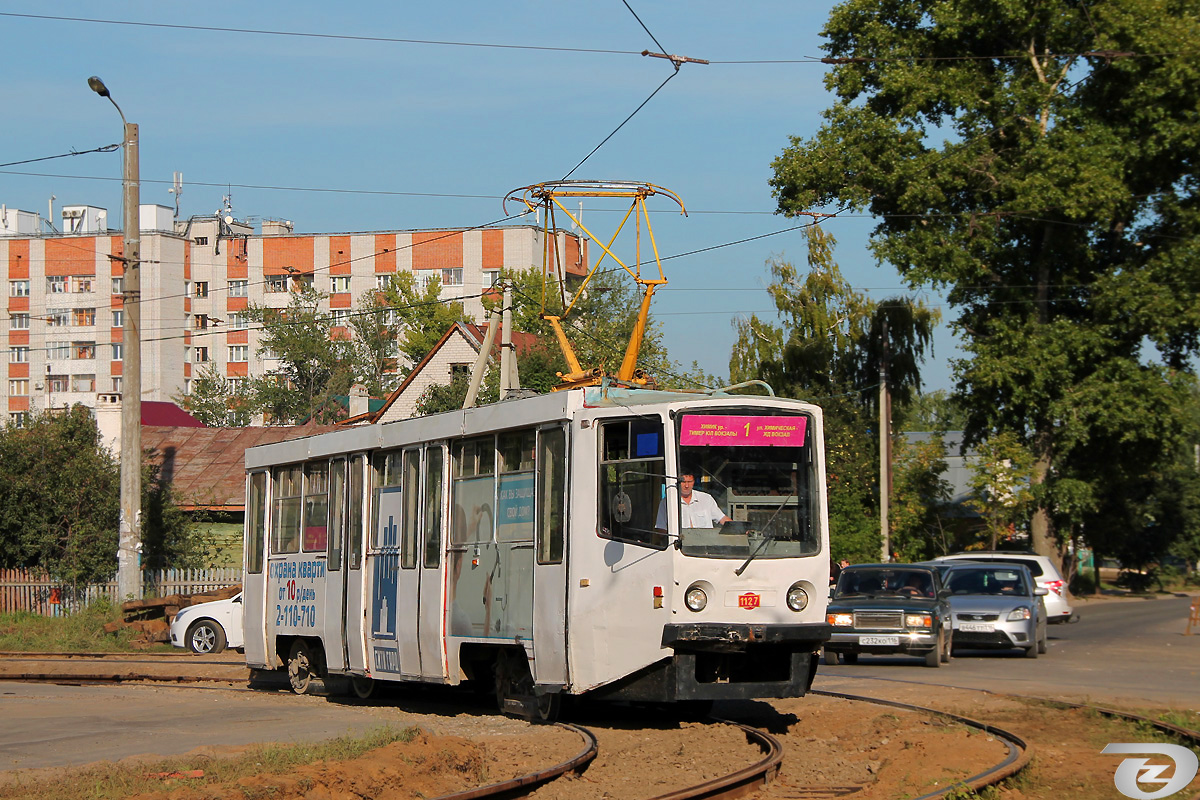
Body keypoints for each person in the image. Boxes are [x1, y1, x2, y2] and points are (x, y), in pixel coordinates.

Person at [655, 472, 731, 531]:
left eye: (689, 482)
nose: (687, 486)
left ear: (694, 482)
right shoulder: (667, 503)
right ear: (677, 483)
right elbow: (661, 529)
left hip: (705, 547)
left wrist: (739, 529)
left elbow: (722, 519)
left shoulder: (706, 499)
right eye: (684, 482)